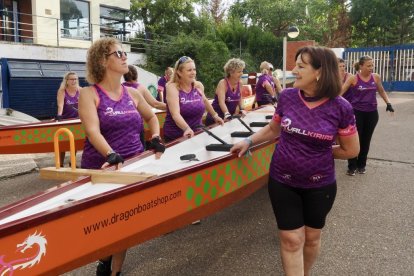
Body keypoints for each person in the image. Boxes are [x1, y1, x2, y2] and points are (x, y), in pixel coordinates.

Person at [230, 46, 360, 276]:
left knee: (311, 238)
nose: (293, 70)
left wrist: (318, 152)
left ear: (319, 72)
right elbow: (273, 129)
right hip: (282, 179)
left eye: (301, 66)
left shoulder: (341, 107)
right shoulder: (288, 97)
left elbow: (351, 150)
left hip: (320, 186)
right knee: (291, 239)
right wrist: (249, 141)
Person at [78, 37, 165, 276]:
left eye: (124, 52)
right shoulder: (89, 94)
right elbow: (92, 130)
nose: (124, 56)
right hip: (103, 167)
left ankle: (113, 272)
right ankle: (104, 260)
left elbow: (152, 117)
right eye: (118, 54)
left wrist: (155, 137)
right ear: (102, 61)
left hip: (133, 164)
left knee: (126, 223)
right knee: (105, 226)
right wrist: (111, 153)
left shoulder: (133, 93)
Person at [341, 55, 395, 176]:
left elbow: (381, 90)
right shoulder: (353, 79)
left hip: (372, 114)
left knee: (366, 140)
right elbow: (340, 93)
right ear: (361, 66)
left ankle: (361, 165)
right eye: (368, 65)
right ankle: (352, 166)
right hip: (357, 113)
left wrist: (388, 103)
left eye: (372, 65)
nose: (371, 67)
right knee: (355, 140)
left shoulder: (375, 77)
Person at [163, 56, 224, 143]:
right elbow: (175, 114)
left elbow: (205, 101)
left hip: (197, 131)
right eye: (189, 70)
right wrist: (187, 128)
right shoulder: (172, 87)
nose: (193, 73)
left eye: (194, 69)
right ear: (179, 72)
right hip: (177, 135)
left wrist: (215, 116)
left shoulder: (198, 85)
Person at [205, 58, 246, 126]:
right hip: (215, 119)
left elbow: (240, 98)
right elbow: (221, 102)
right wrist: (226, 113)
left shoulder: (240, 83)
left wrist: (242, 109)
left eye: (242, 71)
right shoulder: (223, 83)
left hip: (228, 118)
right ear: (231, 73)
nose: (242, 73)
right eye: (239, 72)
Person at [56, 71, 81, 166]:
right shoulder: (62, 91)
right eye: (72, 79)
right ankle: (60, 164)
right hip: (65, 120)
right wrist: (59, 116)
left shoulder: (80, 90)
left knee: (74, 142)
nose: (74, 81)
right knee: (62, 143)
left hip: (76, 120)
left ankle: (72, 163)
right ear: (67, 81)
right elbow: (60, 105)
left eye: (75, 79)